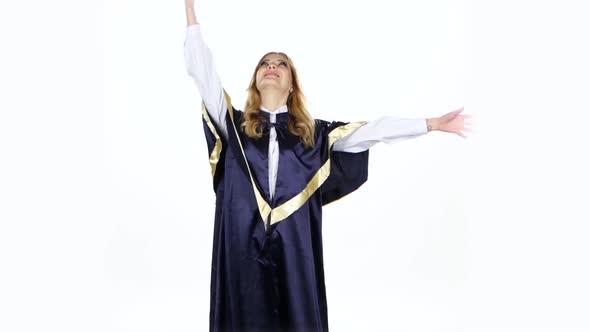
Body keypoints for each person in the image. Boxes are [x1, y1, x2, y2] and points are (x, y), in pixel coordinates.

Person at [183, 1, 471, 331]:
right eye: (264, 63)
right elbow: (202, 71)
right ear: (255, 81)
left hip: (294, 251)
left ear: (292, 84)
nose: (272, 66)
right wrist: (190, 10)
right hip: (241, 247)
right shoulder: (233, 126)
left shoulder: (316, 136)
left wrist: (430, 123)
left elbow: (372, 131)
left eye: (281, 64)